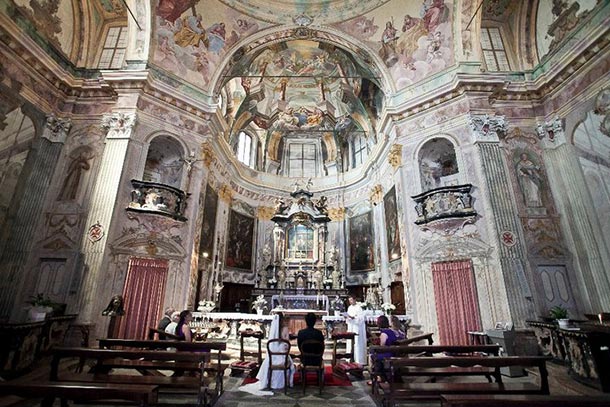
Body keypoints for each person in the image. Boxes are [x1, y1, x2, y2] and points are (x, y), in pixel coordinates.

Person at [239, 313, 295, 395]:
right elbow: (286, 343)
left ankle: (270, 382)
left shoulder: (273, 330)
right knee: (290, 362)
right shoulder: (285, 328)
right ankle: (285, 383)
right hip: (282, 359)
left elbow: (271, 344)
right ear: (282, 320)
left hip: (272, 359)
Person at [346, 296, 366, 365]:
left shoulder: (359, 308)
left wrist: (353, 318)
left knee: (357, 343)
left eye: (351, 300)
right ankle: (350, 358)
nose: (350, 302)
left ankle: (358, 360)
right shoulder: (349, 307)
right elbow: (348, 319)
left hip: (357, 328)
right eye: (349, 301)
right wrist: (347, 317)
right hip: (351, 327)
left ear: (355, 300)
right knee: (350, 343)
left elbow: (361, 319)